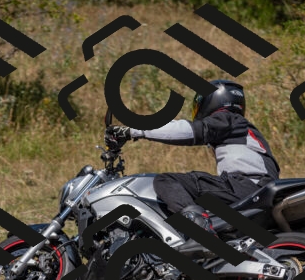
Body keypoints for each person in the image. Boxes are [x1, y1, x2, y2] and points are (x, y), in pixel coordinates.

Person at [105, 79, 280, 234]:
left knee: (166, 181)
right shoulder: (243, 129)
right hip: (255, 189)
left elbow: (189, 131)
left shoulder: (228, 119)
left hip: (245, 186)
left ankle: (199, 231)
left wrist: (134, 129)